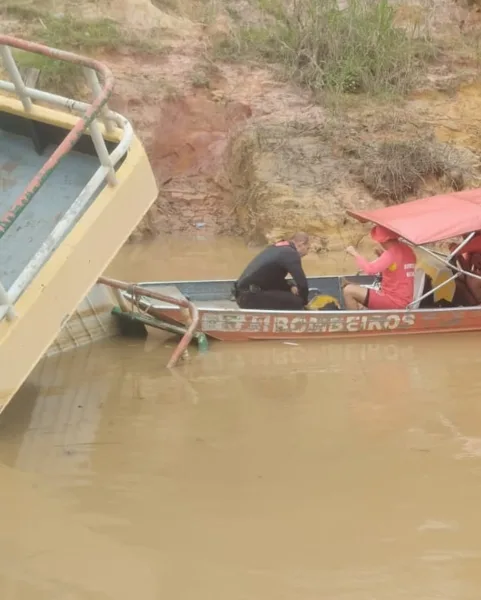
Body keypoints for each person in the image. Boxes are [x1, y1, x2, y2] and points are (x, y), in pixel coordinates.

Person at [343, 225, 417, 310]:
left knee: (348, 291)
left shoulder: (390, 254)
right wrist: (381, 256)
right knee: (358, 296)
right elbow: (397, 268)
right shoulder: (408, 250)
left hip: (393, 301)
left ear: (383, 240)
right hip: (404, 299)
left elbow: (370, 270)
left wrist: (354, 253)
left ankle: (355, 321)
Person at [234, 232, 310, 310]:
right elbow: (302, 285)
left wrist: (290, 286)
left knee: (289, 294)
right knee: (296, 302)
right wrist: (305, 303)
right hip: (249, 298)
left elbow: (273, 278)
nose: (307, 253)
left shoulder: (277, 247)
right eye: (308, 248)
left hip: (242, 294)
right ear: (301, 244)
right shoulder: (291, 253)